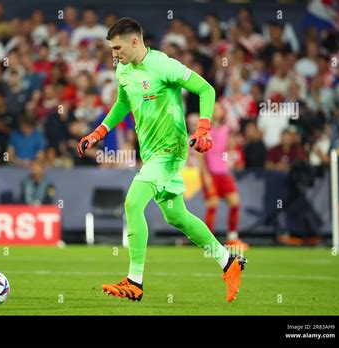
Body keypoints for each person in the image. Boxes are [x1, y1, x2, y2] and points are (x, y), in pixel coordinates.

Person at [78, 18, 246, 303]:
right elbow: (123, 103)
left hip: (170, 150)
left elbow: (206, 89)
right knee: (176, 216)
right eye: (111, 49)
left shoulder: (163, 65)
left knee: (132, 203)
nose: (113, 54)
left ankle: (135, 281)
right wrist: (99, 132)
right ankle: (227, 261)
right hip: (151, 152)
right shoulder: (122, 70)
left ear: (134, 41)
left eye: (117, 47)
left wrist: (204, 128)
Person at [196, 102, 249, 251]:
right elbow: (200, 155)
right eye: (213, 109)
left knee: (235, 202)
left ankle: (232, 238)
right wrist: (205, 175)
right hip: (210, 173)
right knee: (213, 204)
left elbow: (230, 148)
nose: (216, 111)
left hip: (224, 173)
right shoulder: (205, 130)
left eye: (218, 108)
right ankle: (208, 241)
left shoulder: (226, 129)